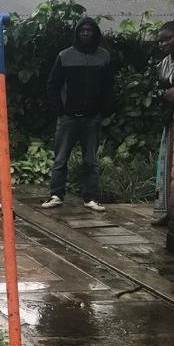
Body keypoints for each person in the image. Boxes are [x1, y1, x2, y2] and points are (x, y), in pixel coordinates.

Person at [41, 17, 114, 212]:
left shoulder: (104, 56)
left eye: (89, 30)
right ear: (77, 33)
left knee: (90, 160)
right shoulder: (65, 56)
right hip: (68, 118)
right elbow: (53, 85)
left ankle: (90, 197)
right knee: (60, 159)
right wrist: (60, 111)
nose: (85, 34)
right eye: (82, 30)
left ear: (95, 33)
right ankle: (56, 195)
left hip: (92, 118)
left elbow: (109, 86)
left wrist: (102, 111)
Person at [152, 20, 174, 227]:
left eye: (167, 39)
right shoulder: (163, 64)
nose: (163, 44)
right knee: (167, 161)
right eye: (160, 41)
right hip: (169, 117)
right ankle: (167, 209)